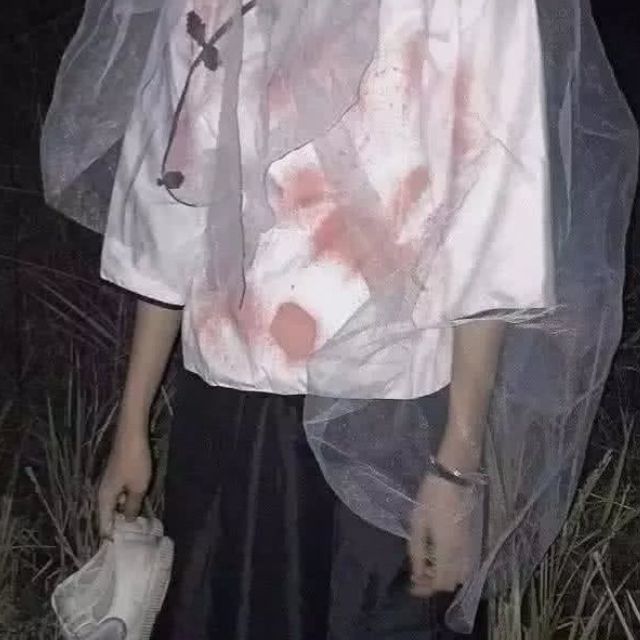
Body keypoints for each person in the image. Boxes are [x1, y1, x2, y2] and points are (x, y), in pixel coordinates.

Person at [41, 0, 638, 638]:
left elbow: (492, 219)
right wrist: (132, 424)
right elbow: (170, 211)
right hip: (228, 408)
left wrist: (456, 465)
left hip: (390, 415)